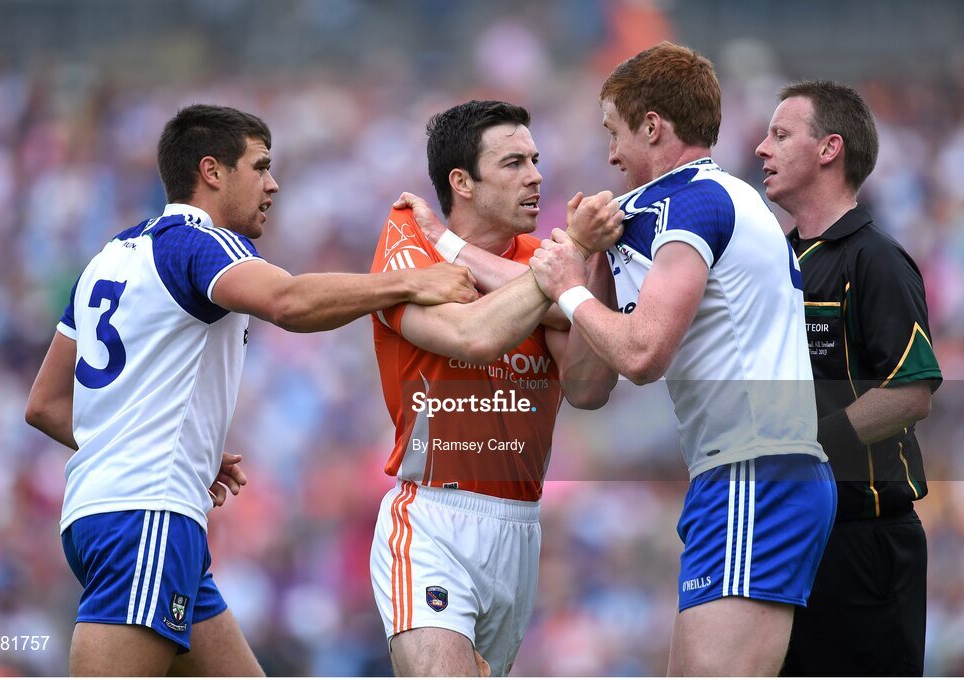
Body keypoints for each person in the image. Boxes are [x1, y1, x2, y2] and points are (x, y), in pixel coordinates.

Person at [24, 104, 477, 676]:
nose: (274, 183)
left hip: (110, 514)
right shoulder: (202, 242)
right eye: (260, 167)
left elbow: (45, 404)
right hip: (146, 518)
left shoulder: (109, 256)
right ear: (212, 172)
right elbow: (288, 302)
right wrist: (412, 280)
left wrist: (177, 449)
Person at [527, 42, 838, 676]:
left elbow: (642, 354)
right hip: (740, 474)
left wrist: (557, 283)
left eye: (614, 132)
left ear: (652, 126)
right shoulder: (704, 202)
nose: (609, 154)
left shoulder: (685, 200)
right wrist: (587, 270)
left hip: (756, 472)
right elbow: (587, 388)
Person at [368, 100, 621, 676]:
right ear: (462, 182)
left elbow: (588, 389)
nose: (535, 175)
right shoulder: (409, 236)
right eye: (512, 163)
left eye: (535, 160)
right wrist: (564, 276)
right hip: (431, 514)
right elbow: (475, 337)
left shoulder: (545, 257)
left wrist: (590, 274)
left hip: (519, 527)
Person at [754, 81, 941, 676]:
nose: (762, 148)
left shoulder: (875, 258)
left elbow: (912, 392)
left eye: (780, 134)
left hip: (864, 539)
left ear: (830, 148)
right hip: (790, 532)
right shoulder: (777, 259)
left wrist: (807, 444)